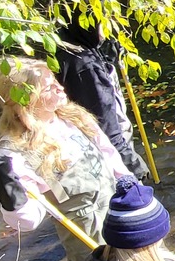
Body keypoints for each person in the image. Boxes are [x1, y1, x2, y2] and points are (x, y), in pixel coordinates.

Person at [0, 57, 135, 261]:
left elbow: (107, 152)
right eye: (48, 87)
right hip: (90, 241)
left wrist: (129, 184)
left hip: (119, 216)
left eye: (54, 80)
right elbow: (29, 221)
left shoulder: (72, 116)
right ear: (26, 99)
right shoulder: (18, 150)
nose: (60, 87)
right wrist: (8, 191)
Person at [54, 12, 150, 179]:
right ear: (86, 26)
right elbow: (104, 119)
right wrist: (128, 160)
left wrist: (105, 60)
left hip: (81, 143)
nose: (104, 32)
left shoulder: (65, 48)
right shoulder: (85, 67)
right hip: (106, 148)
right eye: (100, 25)